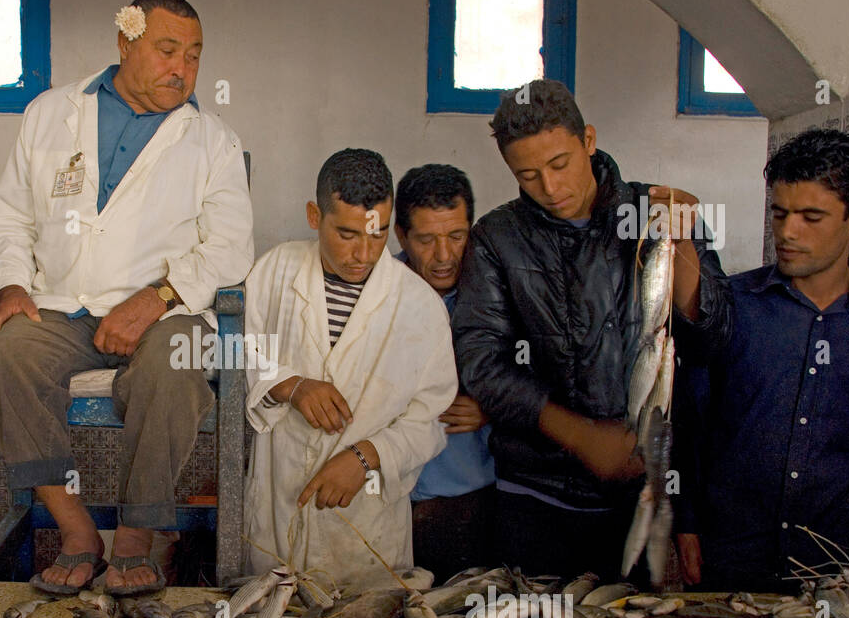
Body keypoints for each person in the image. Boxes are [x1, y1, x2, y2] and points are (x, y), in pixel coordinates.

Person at [0, 0, 253, 595]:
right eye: (167, 49)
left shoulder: (213, 141)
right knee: (4, 354)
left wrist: (158, 296)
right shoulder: (51, 113)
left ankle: (134, 536)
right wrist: (14, 283)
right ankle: (77, 532)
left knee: (175, 366)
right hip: (63, 305)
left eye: (195, 55)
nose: (182, 68)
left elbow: (231, 249)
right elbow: (9, 217)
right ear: (125, 43)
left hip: (166, 313)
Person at [450, 80, 731, 580]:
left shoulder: (653, 213)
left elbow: (711, 342)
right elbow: (482, 365)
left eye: (560, 165)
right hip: (534, 494)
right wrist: (580, 435)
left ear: (589, 141)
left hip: (642, 490)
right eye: (528, 175)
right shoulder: (497, 238)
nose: (550, 188)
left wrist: (682, 239)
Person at [243, 149, 457, 580]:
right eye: (346, 233)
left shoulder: (421, 306)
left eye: (377, 236)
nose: (363, 253)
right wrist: (291, 385)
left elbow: (430, 423)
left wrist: (366, 457)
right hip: (277, 505)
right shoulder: (275, 272)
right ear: (313, 215)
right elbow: (239, 350)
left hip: (367, 526)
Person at [681, 129, 849, 590]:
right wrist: (684, 522)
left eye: (812, 217)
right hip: (726, 561)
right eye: (780, 213)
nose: (787, 232)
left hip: (832, 567)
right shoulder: (734, 304)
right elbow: (689, 424)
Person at [393, 164, 496, 575]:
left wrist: (493, 407)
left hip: (473, 495)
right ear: (401, 236)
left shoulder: (496, 293)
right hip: (393, 497)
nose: (444, 256)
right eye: (426, 239)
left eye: (457, 236)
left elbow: (543, 376)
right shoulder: (379, 296)